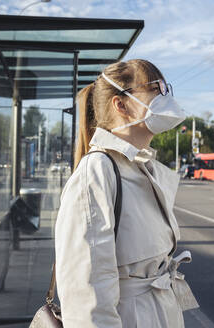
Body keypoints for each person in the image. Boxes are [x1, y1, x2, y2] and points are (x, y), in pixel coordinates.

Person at [54, 59, 199, 328]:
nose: (165, 97)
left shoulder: (139, 167)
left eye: (166, 88)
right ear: (120, 105)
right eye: (155, 88)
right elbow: (85, 295)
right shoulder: (96, 172)